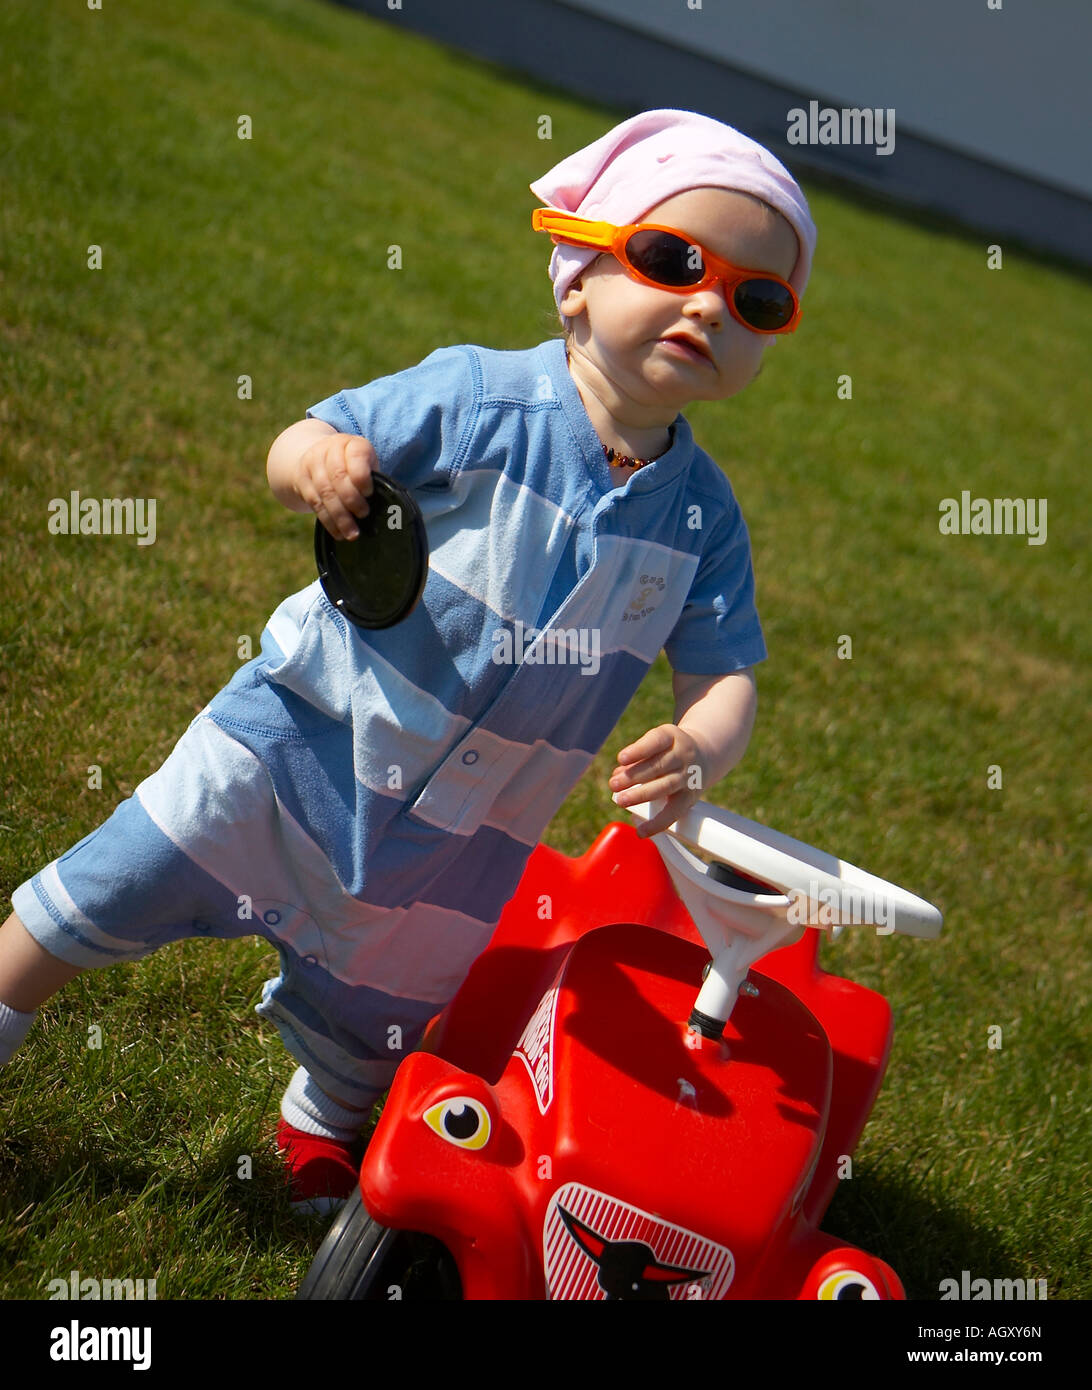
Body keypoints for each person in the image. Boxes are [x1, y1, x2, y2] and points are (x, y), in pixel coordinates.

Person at [0, 109, 816, 1214]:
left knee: (378, 1009)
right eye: (671, 261)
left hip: (463, 842)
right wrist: (321, 463)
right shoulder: (481, 401)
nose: (709, 302)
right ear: (578, 274)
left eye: (757, 298)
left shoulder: (703, 524)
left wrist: (701, 744)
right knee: (119, 880)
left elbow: (725, 674)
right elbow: (303, 437)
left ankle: (322, 1123)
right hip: (297, 751)